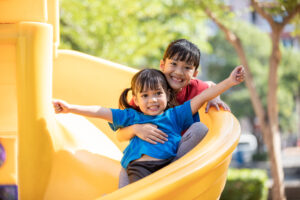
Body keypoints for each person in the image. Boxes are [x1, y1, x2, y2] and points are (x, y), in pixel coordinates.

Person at [53, 66, 244, 184]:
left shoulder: (175, 115)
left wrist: (229, 81)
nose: (152, 100)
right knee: (136, 190)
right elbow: (100, 111)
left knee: (200, 129)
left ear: (167, 96)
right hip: (140, 169)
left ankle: (174, 172)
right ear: (135, 98)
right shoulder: (131, 116)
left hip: (169, 166)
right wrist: (70, 108)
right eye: (145, 96)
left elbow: (203, 96)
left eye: (157, 94)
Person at [117, 39, 230, 187]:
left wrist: (214, 98)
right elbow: (120, 135)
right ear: (162, 65)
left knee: (200, 129)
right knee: (127, 166)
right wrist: (136, 129)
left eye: (186, 68)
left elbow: (211, 85)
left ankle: (169, 171)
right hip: (148, 156)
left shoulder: (194, 88)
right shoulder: (147, 91)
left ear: (195, 73)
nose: (178, 72)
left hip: (177, 154)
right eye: (174, 64)